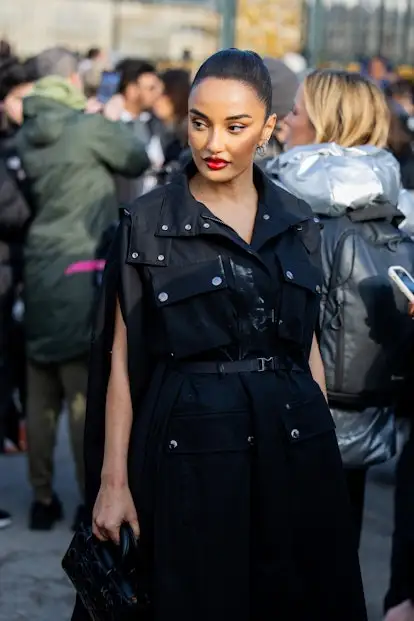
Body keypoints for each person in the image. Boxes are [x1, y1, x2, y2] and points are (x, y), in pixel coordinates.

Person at [73, 49, 367, 621]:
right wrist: (113, 484)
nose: (214, 143)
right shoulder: (147, 221)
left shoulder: (298, 220)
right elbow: (119, 363)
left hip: (293, 453)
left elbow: (306, 349)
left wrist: (321, 444)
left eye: (236, 127)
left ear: (267, 129)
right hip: (190, 462)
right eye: (200, 122)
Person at [266, 69, 414, 548]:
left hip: (286, 415)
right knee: (334, 556)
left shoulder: (284, 199)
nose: (287, 118)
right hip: (363, 410)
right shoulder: (394, 199)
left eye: (297, 109)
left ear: (326, 121)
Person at [15, 46, 149, 531]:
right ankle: (87, 499)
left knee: (39, 386)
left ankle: (41, 498)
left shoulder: (27, 134)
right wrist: (107, 120)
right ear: (73, 79)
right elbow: (135, 159)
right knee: (82, 394)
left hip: (38, 265)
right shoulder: (88, 127)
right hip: (82, 265)